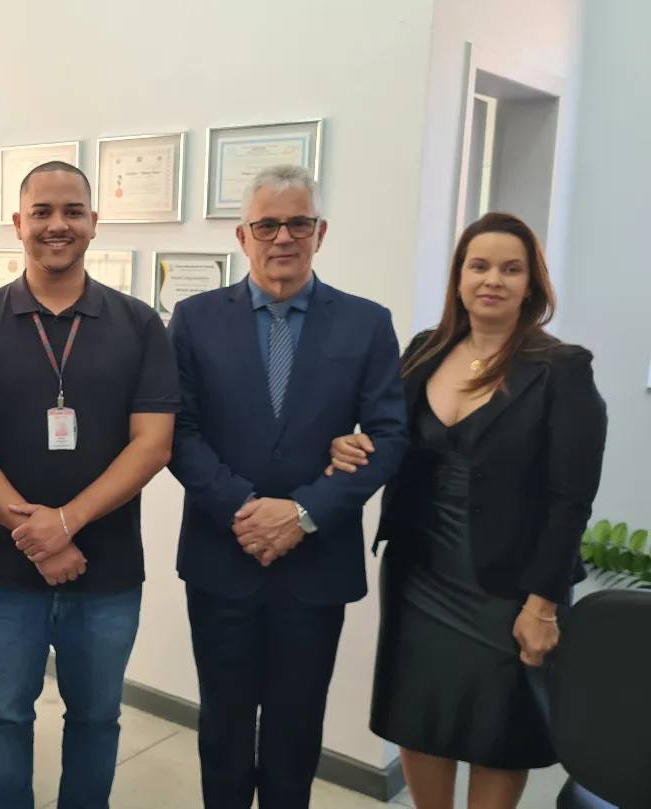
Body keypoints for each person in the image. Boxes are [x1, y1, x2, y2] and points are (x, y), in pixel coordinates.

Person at [324, 212, 607, 809]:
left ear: (531, 285)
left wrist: (542, 606)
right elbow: (390, 439)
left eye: (511, 269)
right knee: (419, 716)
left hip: (509, 587)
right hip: (419, 572)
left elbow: (571, 501)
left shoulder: (561, 369)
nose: (493, 280)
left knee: (497, 732)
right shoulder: (424, 351)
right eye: (479, 266)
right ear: (458, 277)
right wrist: (351, 445)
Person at [167, 165, 409, 809]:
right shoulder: (193, 320)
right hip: (223, 556)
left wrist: (303, 513)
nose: (283, 238)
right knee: (222, 724)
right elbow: (178, 432)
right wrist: (243, 509)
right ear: (242, 236)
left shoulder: (365, 323)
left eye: (298, 223)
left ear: (319, 232)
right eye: (267, 225)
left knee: (296, 730)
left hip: (316, 562)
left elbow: (389, 436)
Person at [0, 161, 178, 809]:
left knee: (96, 720)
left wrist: (65, 523)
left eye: (73, 211)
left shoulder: (139, 324)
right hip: (1, 574)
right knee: (3, 718)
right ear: (18, 223)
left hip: (107, 573)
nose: (58, 225)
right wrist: (39, 538)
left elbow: (154, 444)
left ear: (94, 223)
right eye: (43, 212)